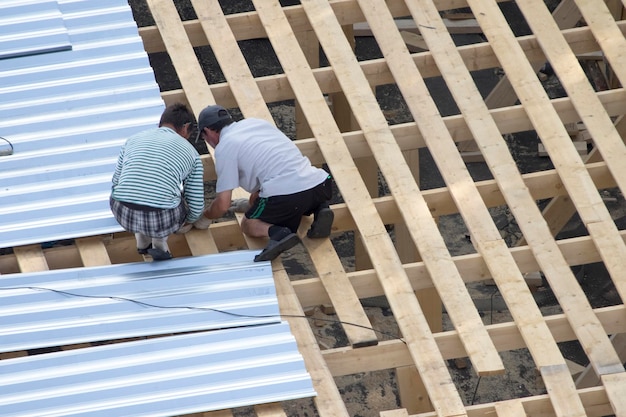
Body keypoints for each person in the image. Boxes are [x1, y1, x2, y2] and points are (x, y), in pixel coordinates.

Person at [193, 104, 334, 262]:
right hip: (320, 184)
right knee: (285, 193)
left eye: (204, 138)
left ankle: (279, 234)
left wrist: (204, 218)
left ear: (207, 131)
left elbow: (223, 204)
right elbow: (270, 171)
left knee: (248, 223)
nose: (208, 143)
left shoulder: (225, 148)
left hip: (286, 197)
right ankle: (320, 208)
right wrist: (250, 204)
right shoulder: (256, 123)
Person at [110, 103, 204, 260]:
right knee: (179, 198)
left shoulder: (133, 140)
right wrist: (190, 221)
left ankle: (142, 242)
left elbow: (115, 182)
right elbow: (196, 204)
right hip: (161, 221)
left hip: (122, 213)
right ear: (185, 127)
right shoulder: (192, 154)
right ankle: (160, 243)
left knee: (136, 192)